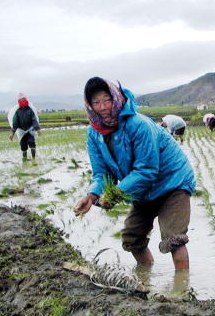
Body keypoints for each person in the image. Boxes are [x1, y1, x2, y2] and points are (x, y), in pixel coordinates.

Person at [74, 77, 196, 271]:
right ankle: (146, 278)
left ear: (115, 97)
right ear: (90, 105)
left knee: (174, 238)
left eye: (106, 100)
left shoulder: (138, 125)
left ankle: (181, 291)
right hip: (143, 190)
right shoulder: (94, 133)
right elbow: (101, 173)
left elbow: (147, 170)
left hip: (173, 182)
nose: (103, 107)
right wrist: (92, 195)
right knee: (132, 237)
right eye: (96, 102)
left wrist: (114, 195)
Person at [9, 93, 41, 162]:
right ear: (19, 102)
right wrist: (12, 134)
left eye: (24, 100)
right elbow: (15, 123)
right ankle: (25, 159)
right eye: (21, 100)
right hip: (21, 131)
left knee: (31, 142)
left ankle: (33, 159)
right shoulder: (17, 112)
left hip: (30, 130)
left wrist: (37, 129)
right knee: (23, 145)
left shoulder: (30, 110)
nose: (23, 101)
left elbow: (34, 120)